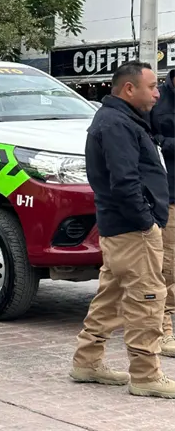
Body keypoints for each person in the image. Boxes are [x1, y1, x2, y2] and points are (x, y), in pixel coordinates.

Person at [70, 60, 174, 399]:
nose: (157, 93)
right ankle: (145, 376)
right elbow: (125, 181)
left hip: (121, 228)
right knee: (148, 298)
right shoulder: (117, 124)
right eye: (151, 86)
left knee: (110, 296)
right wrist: (146, 221)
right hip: (132, 230)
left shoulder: (120, 120)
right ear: (129, 89)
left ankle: (87, 362)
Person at [151, 67, 175, 358]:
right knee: (168, 267)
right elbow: (150, 142)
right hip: (169, 196)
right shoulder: (156, 102)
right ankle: (163, 330)